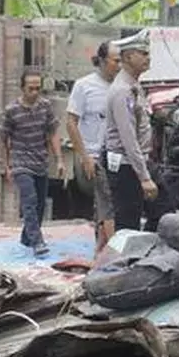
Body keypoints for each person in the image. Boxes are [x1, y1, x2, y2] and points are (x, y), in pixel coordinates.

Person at [104, 29, 175, 232]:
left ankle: (148, 248)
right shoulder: (122, 91)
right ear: (127, 57)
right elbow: (128, 138)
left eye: (148, 53)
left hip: (139, 161)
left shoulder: (134, 85)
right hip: (126, 165)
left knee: (164, 210)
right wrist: (144, 178)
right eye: (142, 54)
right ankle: (125, 253)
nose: (148, 58)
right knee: (128, 223)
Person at [1, 69, 64, 257]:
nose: (35, 92)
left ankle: (26, 238)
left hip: (40, 161)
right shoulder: (11, 110)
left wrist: (59, 160)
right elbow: (3, 139)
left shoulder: (45, 107)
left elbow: (53, 133)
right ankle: (37, 242)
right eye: (31, 88)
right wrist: (7, 166)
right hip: (20, 162)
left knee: (40, 206)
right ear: (22, 88)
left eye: (38, 88)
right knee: (29, 201)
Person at [67, 42, 120, 254]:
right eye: (116, 61)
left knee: (105, 204)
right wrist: (85, 156)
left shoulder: (123, 86)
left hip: (119, 156)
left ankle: (101, 248)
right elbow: (71, 123)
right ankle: (113, 251)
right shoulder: (84, 86)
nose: (119, 65)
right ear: (103, 61)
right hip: (95, 155)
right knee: (108, 203)